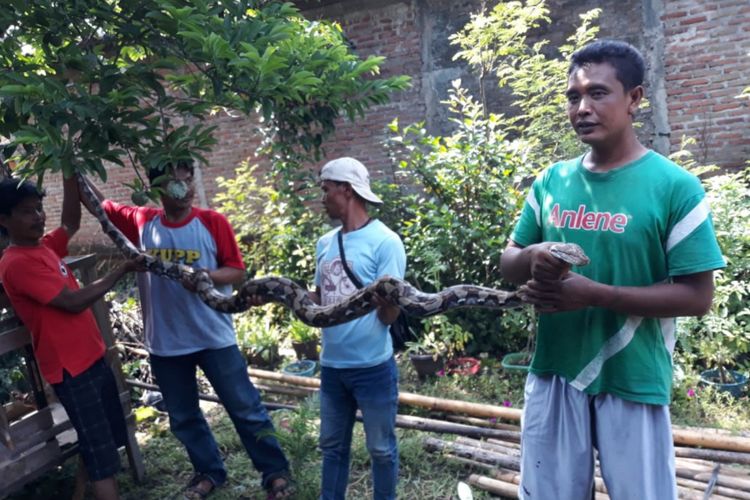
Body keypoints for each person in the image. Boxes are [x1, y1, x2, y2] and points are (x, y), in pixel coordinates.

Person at [499, 39, 726, 499]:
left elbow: (698, 297)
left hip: (633, 377)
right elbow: (508, 262)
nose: (583, 107)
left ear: (635, 98)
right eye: (573, 96)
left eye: (598, 93)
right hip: (554, 372)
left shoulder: (674, 187)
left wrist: (594, 293)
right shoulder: (551, 181)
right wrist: (532, 255)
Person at [80, 161, 294, 499]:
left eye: (188, 177)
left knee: (246, 408)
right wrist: (69, 165)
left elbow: (235, 271)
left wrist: (205, 276)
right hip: (166, 343)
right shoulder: (143, 221)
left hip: (213, 336)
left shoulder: (212, 222)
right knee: (183, 417)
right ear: (158, 188)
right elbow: (98, 205)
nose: (185, 185)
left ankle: (275, 472)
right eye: (175, 180)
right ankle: (208, 471)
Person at [0, 175, 141, 500]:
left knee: (101, 441)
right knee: (102, 457)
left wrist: (68, 172)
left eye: (38, 209)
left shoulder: (45, 247)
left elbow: (70, 221)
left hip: (91, 358)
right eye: (26, 211)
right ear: (4, 220)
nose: (37, 217)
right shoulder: (16, 264)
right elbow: (70, 302)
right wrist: (121, 270)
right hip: (71, 371)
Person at [310, 157, 406, 500]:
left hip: (372, 367)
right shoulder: (324, 243)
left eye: (326, 189)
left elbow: (388, 317)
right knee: (332, 448)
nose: (322, 198)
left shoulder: (386, 242)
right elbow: (320, 299)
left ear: (345, 190)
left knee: (381, 450)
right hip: (333, 366)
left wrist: (389, 303)